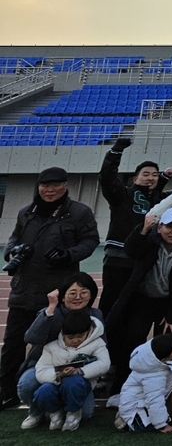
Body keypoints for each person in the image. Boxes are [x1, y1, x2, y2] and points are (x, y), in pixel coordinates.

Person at [1, 166, 100, 409]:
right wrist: (12, 251)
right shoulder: (26, 212)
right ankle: (5, 389)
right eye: (45, 185)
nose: (49, 189)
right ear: (39, 187)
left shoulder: (79, 213)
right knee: (13, 342)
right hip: (24, 289)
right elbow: (14, 238)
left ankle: (54, 388)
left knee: (57, 344)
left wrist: (68, 255)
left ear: (65, 186)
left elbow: (90, 241)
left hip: (58, 293)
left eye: (55, 185)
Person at [105, 207, 172, 400]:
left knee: (167, 345)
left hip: (169, 302)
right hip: (143, 298)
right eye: (169, 226)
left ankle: (164, 390)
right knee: (133, 339)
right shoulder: (149, 240)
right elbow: (131, 250)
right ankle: (122, 387)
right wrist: (142, 230)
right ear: (159, 227)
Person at [15, 274, 103, 413]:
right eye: (72, 293)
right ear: (62, 296)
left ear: (91, 295)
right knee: (27, 384)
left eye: (84, 292)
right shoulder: (50, 313)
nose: (78, 297)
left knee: (86, 413)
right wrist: (50, 308)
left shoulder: (95, 315)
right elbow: (31, 338)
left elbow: (103, 347)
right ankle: (37, 412)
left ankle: (66, 408)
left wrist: (82, 368)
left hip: (77, 371)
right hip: (45, 365)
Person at [98, 137, 166, 315]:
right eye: (146, 174)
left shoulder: (158, 199)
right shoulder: (123, 195)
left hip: (145, 262)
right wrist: (115, 152)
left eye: (155, 175)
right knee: (111, 305)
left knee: (136, 310)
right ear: (135, 178)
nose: (151, 178)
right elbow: (107, 178)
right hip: (118, 259)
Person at [26, 313, 110, 432]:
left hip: (80, 385)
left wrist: (79, 371)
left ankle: (73, 412)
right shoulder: (51, 347)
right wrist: (59, 375)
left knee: (73, 383)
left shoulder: (98, 344)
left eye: (81, 336)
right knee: (43, 391)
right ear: (63, 335)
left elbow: (104, 364)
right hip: (55, 384)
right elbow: (41, 371)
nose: (75, 341)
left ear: (88, 332)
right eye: (70, 338)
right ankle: (54, 412)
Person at [116, 334, 172, 433]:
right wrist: (162, 425)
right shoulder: (153, 376)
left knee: (164, 410)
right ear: (164, 359)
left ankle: (125, 414)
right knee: (145, 425)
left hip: (140, 402)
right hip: (136, 408)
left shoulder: (155, 357)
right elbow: (155, 400)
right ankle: (126, 423)